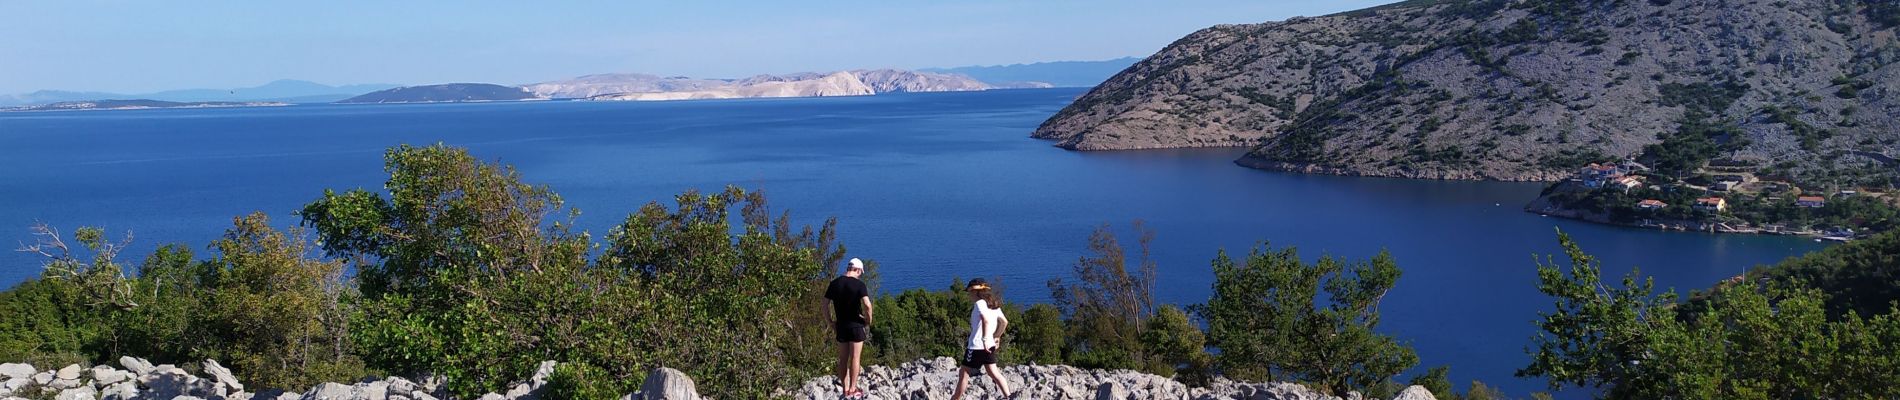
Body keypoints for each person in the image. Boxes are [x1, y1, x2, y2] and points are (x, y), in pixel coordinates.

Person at [823, 258, 874, 400]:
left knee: (843, 358)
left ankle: (845, 390)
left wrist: (830, 322)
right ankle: (853, 388)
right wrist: (868, 320)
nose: (860, 275)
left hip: (841, 326)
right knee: (855, 358)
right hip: (856, 325)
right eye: (860, 273)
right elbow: (867, 305)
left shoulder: (834, 284)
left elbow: (825, 304)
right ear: (857, 270)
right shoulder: (859, 284)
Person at [952, 278, 1011, 399]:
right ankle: (1009, 397)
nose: (969, 295)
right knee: (994, 373)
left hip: (976, 346)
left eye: (969, 292)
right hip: (990, 345)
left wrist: (984, 340)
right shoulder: (994, 304)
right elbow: (1004, 322)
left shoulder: (979, 304)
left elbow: (985, 320)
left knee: (964, 374)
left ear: (975, 291)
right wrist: (996, 337)